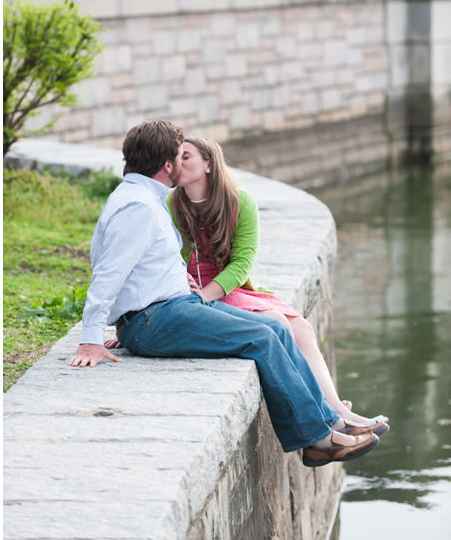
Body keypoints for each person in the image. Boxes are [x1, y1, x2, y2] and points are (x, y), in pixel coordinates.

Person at [68, 119, 382, 467]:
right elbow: (108, 275)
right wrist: (92, 337)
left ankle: (330, 421)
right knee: (261, 338)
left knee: (277, 327)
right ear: (168, 165)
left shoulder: (145, 198)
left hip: (169, 309)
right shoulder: (138, 208)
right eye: (178, 155)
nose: (182, 163)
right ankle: (317, 441)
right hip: (153, 318)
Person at [168, 137, 388, 433]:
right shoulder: (172, 205)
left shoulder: (239, 201)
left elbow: (243, 262)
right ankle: (328, 417)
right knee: (276, 322)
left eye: (186, 157)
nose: (177, 164)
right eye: (175, 158)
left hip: (226, 287)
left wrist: (207, 295)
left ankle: (338, 410)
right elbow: (166, 258)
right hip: (191, 293)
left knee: (302, 328)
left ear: (208, 163)